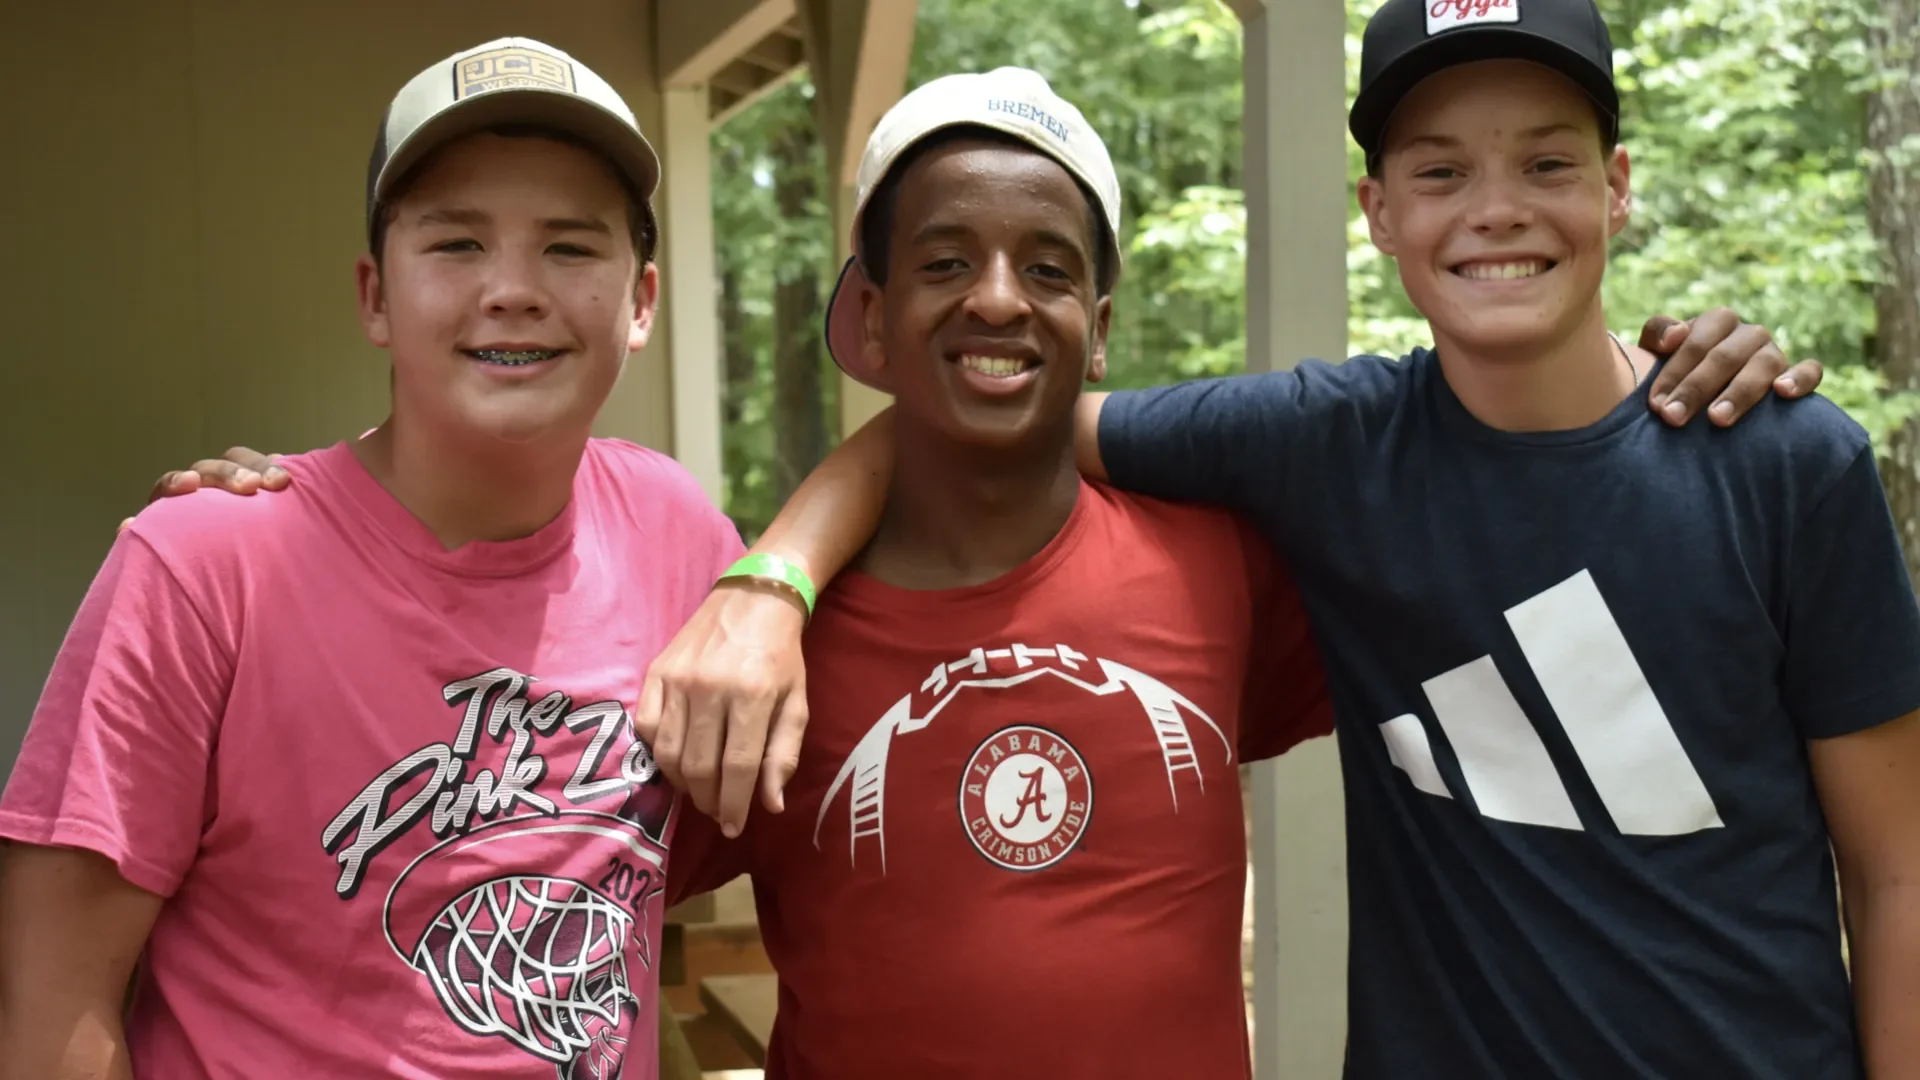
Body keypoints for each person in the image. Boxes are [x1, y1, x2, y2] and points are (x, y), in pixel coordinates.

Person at [143, 63, 1827, 1079]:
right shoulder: (738, 638)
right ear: (860, 318)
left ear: (1103, 323)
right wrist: (297, 512)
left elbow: (1501, 528)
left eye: (1047, 266)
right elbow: (540, 836)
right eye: (942, 262)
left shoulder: (1233, 561)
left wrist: (1670, 396)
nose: (997, 300)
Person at [628, 2, 1920, 1077]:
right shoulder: (1329, 452)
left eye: (1547, 161)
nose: (1496, 209)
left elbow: (1899, 869)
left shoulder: (1782, 461)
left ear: (1618, 185)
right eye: (1439, 170)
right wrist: (771, 577)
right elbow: (984, 408)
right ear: (1377, 208)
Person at [0, 37, 766, 1080]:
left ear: (641, 303)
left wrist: (786, 579)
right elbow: (53, 1010)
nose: (513, 289)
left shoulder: (679, 538)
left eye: (571, 248)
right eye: (456, 245)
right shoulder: (205, 567)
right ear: (373, 296)